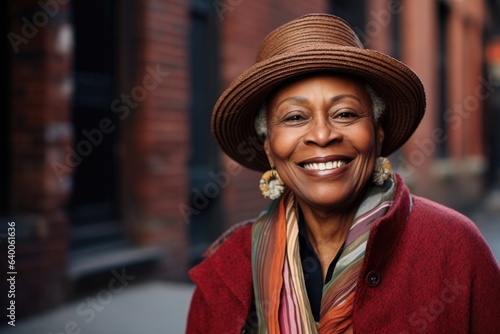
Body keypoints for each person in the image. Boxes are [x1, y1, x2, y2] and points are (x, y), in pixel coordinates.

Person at [186, 13, 500, 333]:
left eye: (345, 113)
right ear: (268, 147)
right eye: (295, 117)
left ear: (377, 134)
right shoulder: (226, 271)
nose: (322, 135)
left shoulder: (454, 247)